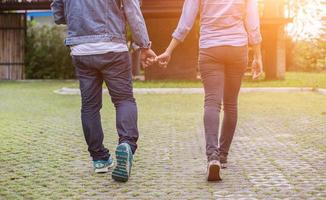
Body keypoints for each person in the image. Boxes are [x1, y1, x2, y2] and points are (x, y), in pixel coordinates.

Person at [155, 0, 263, 181]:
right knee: (230, 104)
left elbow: (186, 20)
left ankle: (212, 157)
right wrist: (258, 56)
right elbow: (253, 20)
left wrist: (169, 50)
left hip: (210, 47)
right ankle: (223, 156)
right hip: (237, 47)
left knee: (212, 102)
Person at [51, 0, 156, 182]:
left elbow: (58, 14)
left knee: (90, 106)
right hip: (112, 46)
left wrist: (80, 18)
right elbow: (132, 9)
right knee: (123, 100)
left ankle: (99, 158)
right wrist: (144, 46)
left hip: (81, 49)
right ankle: (126, 144)